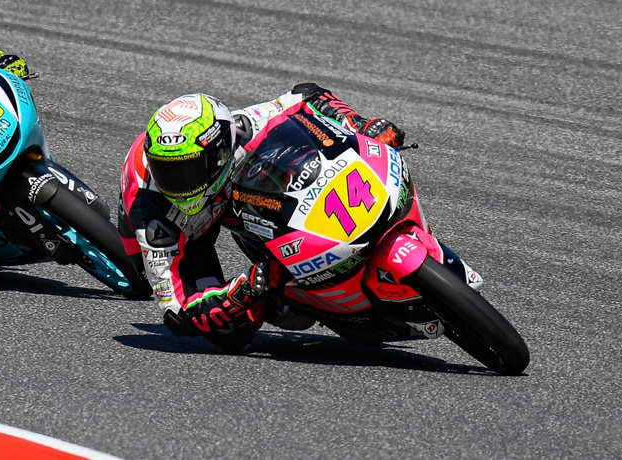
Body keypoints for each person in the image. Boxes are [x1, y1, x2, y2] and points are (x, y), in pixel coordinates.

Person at [118, 82, 406, 351]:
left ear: (219, 151)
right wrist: (242, 290)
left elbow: (307, 96)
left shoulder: (241, 127)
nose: (178, 186)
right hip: (188, 236)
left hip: (229, 197)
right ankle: (282, 299)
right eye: (166, 172)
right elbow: (176, 312)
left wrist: (360, 124)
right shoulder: (151, 214)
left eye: (187, 171)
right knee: (232, 332)